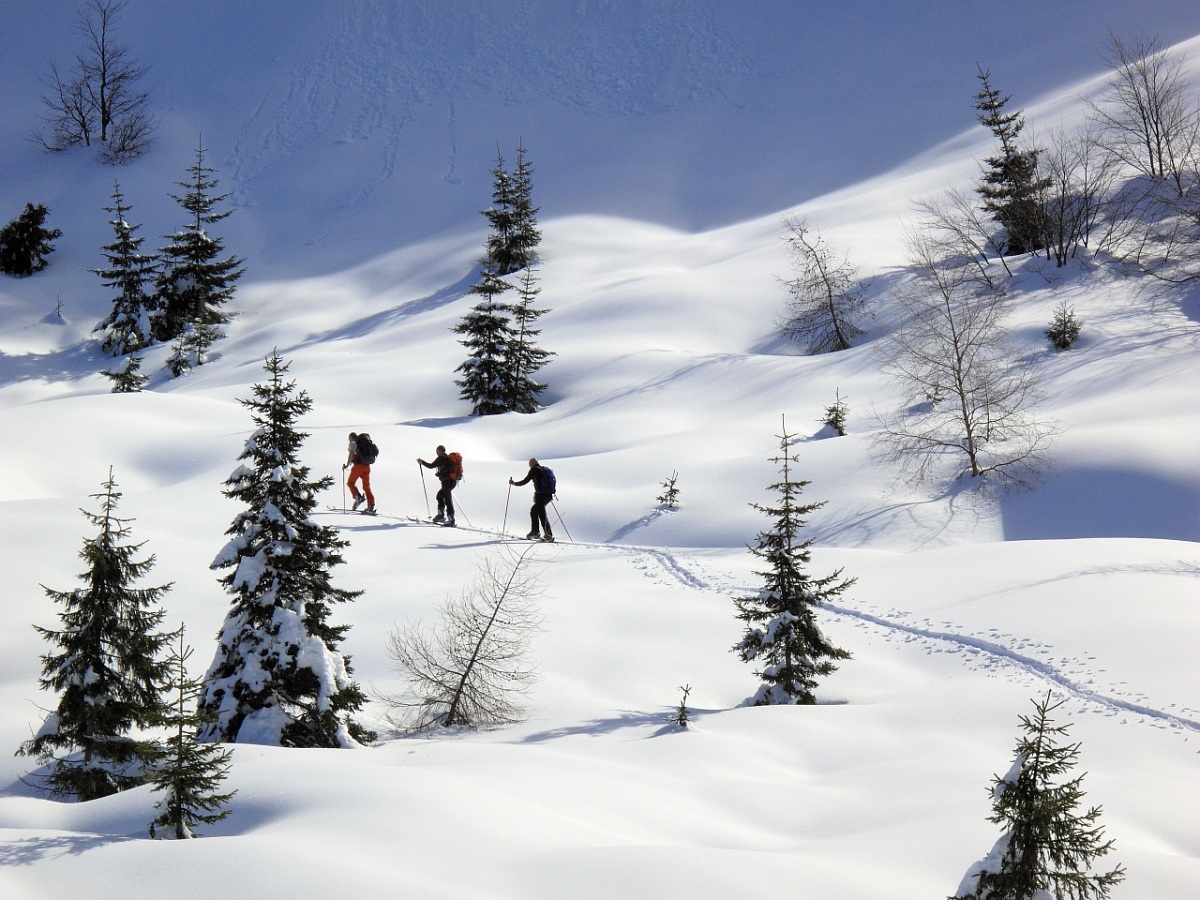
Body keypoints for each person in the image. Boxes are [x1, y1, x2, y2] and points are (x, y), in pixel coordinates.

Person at [509, 458, 554, 542]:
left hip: (540, 495)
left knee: (540, 513)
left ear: (532, 464)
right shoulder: (545, 469)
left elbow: (524, 481)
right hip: (548, 495)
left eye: (529, 464)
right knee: (535, 511)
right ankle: (537, 532)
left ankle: (546, 534)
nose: (529, 466)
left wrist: (514, 483)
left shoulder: (534, 470)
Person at [417, 445, 458, 526]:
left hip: (446, 481)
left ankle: (450, 519)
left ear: (440, 451)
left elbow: (431, 466)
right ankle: (442, 516)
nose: (436, 452)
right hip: (452, 481)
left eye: (437, 451)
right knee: (440, 495)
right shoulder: (446, 458)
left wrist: (422, 462)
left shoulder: (441, 458)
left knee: (447, 499)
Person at [344, 432, 375, 514]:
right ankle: (371, 505)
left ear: (351, 437)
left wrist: (347, 465)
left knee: (350, 482)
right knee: (366, 487)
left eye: (349, 438)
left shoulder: (353, 443)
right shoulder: (364, 444)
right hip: (367, 466)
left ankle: (358, 498)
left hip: (358, 466)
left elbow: (351, 454)